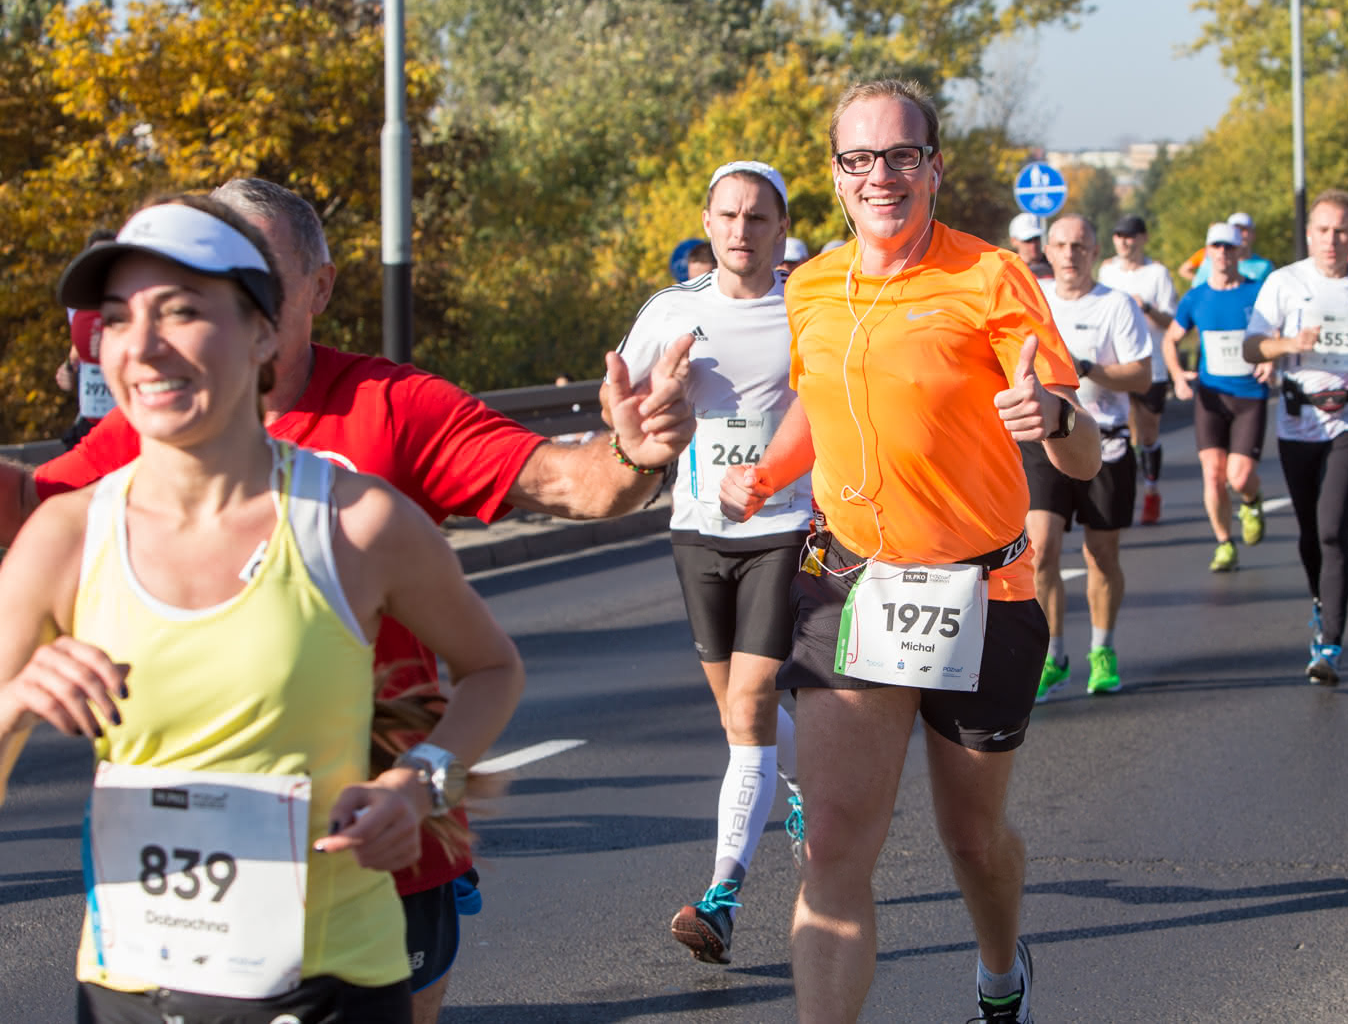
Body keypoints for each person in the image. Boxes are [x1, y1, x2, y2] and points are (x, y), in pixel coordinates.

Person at [0, 178, 694, 1024]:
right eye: (117, 316)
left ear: (286, 306)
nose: (144, 346)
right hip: (132, 974)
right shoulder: (95, 495)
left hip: (357, 899)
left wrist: (423, 780)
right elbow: (30, 507)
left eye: (182, 308)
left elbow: (564, 489)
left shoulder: (375, 459)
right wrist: (15, 701)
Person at [718, 79, 1100, 1024]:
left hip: (983, 589)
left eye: (900, 156)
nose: (879, 176)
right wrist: (764, 476)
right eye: (859, 159)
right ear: (836, 175)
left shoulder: (990, 277)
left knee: (973, 840)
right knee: (832, 845)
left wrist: (1052, 417)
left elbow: (1083, 451)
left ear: (934, 168)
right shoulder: (811, 285)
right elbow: (820, 404)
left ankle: (1001, 970)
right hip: (851, 582)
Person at [616, 160, 809, 964]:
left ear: (781, 228)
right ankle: (803, 781)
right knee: (739, 716)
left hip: (784, 528)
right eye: (727, 215)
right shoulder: (672, 310)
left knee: (752, 700)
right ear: (707, 221)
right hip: (697, 532)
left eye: (757, 217)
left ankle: (722, 895)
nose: (741, 230)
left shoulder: (805, 306)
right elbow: (624, 405)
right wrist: (655, 397)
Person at [1244, 189, 1348, 686]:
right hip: (1299, 420)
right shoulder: (1284, 283)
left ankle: (1330, 643)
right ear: (1309, 235)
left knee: (1333, 529)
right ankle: (1319, 599)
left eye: (1341, 231)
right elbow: (1251, 347)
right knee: (1310, 532)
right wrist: (1291, 343)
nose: (1331, 240)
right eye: (1323, 230)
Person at [1031, 214, 1152, 701]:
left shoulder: (1116, 305)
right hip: (1044, 441)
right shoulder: (1033, 299)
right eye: (1060, 245)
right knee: (1040, 548)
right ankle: (1053, 656)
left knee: (1101, 555)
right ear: (1048, 250)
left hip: (1104, 443)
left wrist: (1089, 369)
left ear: (1095, 252)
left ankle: (1102, 650)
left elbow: (1141, 376)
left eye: (1079, 246)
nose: (1069, 254)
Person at [1163, 223, 1270, 572]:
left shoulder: (1257, 293)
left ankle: (1251, 500)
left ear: (1240, 251)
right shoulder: (1196, 297)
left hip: (1249, 395)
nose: (1223, 253)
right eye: (1216, 247)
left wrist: (1270, 359)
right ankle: (1224, 543)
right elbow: (1170, 339)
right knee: (1212, 474)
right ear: (1207, 252)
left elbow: (1278, 331)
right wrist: (1178, 375)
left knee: (1238, 478)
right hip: (1211, 396)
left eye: (1229, 247)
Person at [1096, 214, 1175, 524]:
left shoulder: (1157, 274)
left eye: (1130, 236)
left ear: (1143, 238)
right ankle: (1121, 497)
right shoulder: (1107, 271)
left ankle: (1152, 490)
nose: (1124, 241)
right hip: (1114, 366)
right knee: (1121, 433)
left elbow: (1172, 323)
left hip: (1151, 365)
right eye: (1118, 235)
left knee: (1147, 433)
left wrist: (1146, 308)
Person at [57, 228, 120, 447]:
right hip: (90, 418)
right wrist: (68, 368)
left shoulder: (134, 300)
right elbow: (79, 346)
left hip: (127, 421)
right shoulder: (77, 302)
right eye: (94, 259)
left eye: (108, 258)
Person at [1190, 212, 1273, 285]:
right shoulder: (1211, 263)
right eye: (1235, 230)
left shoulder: (1265, 266)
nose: (1239, 234)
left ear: (1253, 234)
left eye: (1244, 229)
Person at [1007, 212, 1050, 279]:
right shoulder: (1008, 271)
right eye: (1027, 240)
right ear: (1013, 241)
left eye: (1036, 238)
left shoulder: (1055, 265)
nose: (1033, 244)